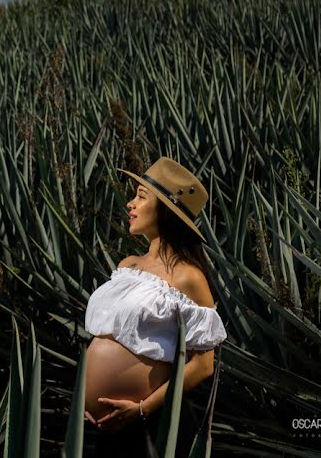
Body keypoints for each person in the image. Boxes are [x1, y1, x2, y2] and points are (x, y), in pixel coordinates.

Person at [82, 157, 228, 457]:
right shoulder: (127, 266)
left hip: (150, 424)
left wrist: (141, 409)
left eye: (140, 196)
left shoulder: (188, 277)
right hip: (103, 426)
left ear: (166, 210)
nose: (130, 204)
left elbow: (203, 365)